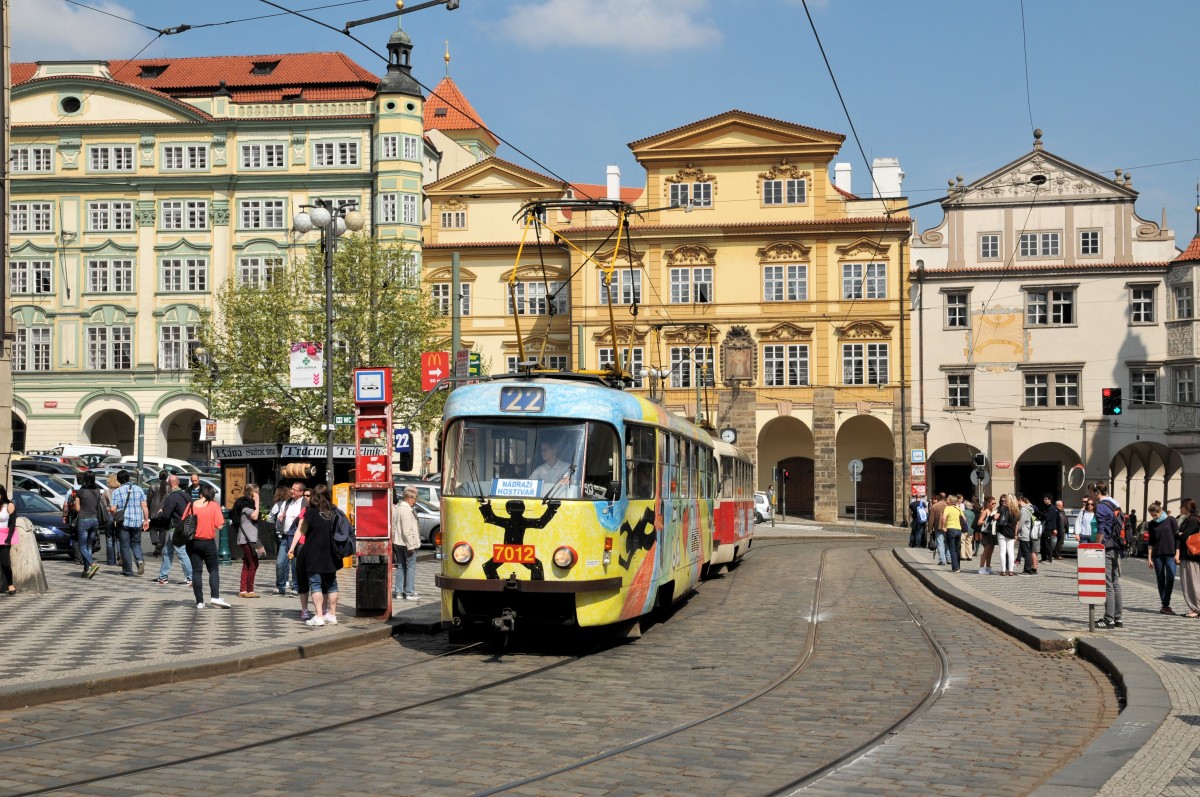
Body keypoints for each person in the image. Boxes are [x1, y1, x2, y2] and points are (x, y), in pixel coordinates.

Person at [298, 484, 340, 627]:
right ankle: (332, 615)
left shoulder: (311, 512)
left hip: (314, 553)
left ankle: (319, 616)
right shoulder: (333, 511)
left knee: (315, 583)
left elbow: (303, 531)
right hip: (332, 553)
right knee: (332, 584)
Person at [185, 482, 230, 609]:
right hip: (208, 542)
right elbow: (220, 525)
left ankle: (199, 601)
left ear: (201, 494)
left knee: (196, 571)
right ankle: (215, 597)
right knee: (213, 570)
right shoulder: (214, 506)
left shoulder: (191, 505)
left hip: (193, 542)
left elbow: (185, 521)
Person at [1091, 481, 1124, 628]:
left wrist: (1097, 546)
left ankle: (1108, 619)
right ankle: (1118, 618)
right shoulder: (1115, 504)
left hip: (1106, 546)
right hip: (1117, 546)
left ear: (1097, 492)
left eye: (1092, 492)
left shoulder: (1102, 507)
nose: (1091, 496)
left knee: (1107, 583)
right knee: (1115, 582)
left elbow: (1101, 529)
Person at [153, 474, 193, 586]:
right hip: (185, 526)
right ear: (178, 482)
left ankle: (190, 578)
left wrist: (160, 512)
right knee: (167, 551)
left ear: (169, 484)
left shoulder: (171, 497)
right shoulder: (186, 495)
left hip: (175, 528)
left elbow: (166, 515)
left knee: (181, 553)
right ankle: (163, 577)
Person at [112, 470, 149, 577]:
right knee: (136, 543)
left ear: (118, 480)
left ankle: (128, 571)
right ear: (128, 478)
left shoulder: (117, 492)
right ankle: (140, 561)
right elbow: (144, 506)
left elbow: (113, 509)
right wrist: (146, 520)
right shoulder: (139, 489)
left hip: (124, 522)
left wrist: (115, 516)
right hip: (137, 521)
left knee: (125, 546)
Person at [271, 483, 306, 596]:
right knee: (280, 563)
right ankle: (280, 587)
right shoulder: (287, 502)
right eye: (291, 489)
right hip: (285, 536)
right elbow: (280, 514)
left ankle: (296, 587)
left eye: (295, 490)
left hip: (298, 537)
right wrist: (281, 517)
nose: (292, 491)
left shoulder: (305, 504)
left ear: (301, 492)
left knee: (296, 564)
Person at [1145, 501, 1178, 614]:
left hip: (1170, 554)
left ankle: (1165, 601)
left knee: (1171, 577)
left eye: (1155, 515)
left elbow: (1177, 538)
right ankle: (1165, 605)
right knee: (1160, 579)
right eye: (1151, 515)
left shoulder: (1171, 520)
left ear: (1160, 511)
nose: (1153, 517)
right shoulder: (1151, 524)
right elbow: (1151, 542)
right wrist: (1149, 558)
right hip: (1157, 555)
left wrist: (1177, 553)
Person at [73, 471, 108, 579]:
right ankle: (86, 570)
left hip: (84, 520)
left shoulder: (80, 492)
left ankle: (92, 565)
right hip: (95, 520)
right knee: (89, 546)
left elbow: (77, 508)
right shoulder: (97, 491)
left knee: (82, 546)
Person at [233, 485, 265, 598]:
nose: (258, 494)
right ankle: (250, 590)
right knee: (253, 564)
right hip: (246, 539)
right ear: (252, 493)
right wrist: (257, 500)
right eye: (257, 492)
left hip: (249, 538)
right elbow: (254, 516)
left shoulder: (246, 504)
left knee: (247, 564)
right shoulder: (245, 505)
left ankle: (243, 590)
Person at [392, 485, 421, 600]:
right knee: (410, 567)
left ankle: (399, 591)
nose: (415, 501)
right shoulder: (407, 511)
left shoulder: (398, 508)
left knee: (401, 567)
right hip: (406, 544)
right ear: (409, 498)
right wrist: (411, 545)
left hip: (398, 542)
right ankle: (409, 592)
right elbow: (406, 530)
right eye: (414, 499)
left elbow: (395, 526)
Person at [1177, 497, 1200, 618]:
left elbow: (1184, 536)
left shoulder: (1193, 520)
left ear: (1187, 507)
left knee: (1192, 582)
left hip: (1192, 556)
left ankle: (1197, 608)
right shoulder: (1188, 519)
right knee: (1189, 582)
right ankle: (1195, 608)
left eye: (1181, 506)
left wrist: (1179, 534)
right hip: (1188, 556)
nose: (1180, 508)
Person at [146, 470, 169, 557]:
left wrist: (148, 509)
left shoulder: (153, 486)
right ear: (167, 477)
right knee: (163, 531)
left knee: (153, 529)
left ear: (159, 476)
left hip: (154, 511)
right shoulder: (169, 487)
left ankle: (157, 543)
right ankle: (159, 549)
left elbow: (149, 499)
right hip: (165, 511)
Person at [994, 494, 1018, 576]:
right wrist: (1015, 534)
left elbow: (996, 517)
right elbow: (1017, 524)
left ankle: (1003, 570)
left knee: (1002, 551)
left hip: (1002, 531)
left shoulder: (1002, 508)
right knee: (1011, 551)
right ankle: (1011, 571)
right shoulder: (1016, 510)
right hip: (1011, 533)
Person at [0, 487, 17, 595]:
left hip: (5, 536)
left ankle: (10, 584)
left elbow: (12, 524)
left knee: (5, 563)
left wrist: (9, 538)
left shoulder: (9, 506)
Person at [1017, 494, 1038, 575]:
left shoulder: (1023, 510)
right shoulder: (1028, 509)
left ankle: (1027, 570)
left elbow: (1021, 523)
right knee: (1027, 552)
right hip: (1028, 533)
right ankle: (1027, 569)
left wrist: (1016, 532)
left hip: (1024, 534)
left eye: (1017, 501)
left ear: (1020, 501)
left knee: (1026, 553)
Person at [976, 495, 997, 575]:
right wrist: (988, 520)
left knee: (991, 551)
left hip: (992, 532)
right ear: (988, 503)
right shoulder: (985, 511)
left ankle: (988, 567)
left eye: (995, 503)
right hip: (986, 533)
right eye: (992, 503)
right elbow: (979, 522)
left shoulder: (993, 512)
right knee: (986, 551)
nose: (994, 505)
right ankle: (981, 568)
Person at [104, 472, 121, 566]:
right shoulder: (121, 491)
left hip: (109, 515)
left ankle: (111, 560)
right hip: (119, 515)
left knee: (110, 539)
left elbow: (103, 506)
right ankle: (120, 555)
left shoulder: (106, 492)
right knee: (119, 538)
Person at [1040, 494, 1062, 564]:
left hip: (1049, 528)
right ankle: (1043, 557)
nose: (1044, 500)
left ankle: (1049, 558)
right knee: (1043, 543)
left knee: (1048, 544)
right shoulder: (1045, 507)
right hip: (1045, 527)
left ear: (1050, 500)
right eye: (1044, 499)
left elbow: (1047, 517)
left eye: (1046, 499)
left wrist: (1041, 514)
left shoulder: (1052, 508)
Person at [928, 492, 948, 565]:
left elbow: (931, 519)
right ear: (945, 497)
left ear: (939, 497)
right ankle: (948, 557)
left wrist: (930, 529)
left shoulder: (934, 506)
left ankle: (942, 560)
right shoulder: (948, 505)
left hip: (938, 527)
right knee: (947, 543)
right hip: (947, 527)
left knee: (940, 543)